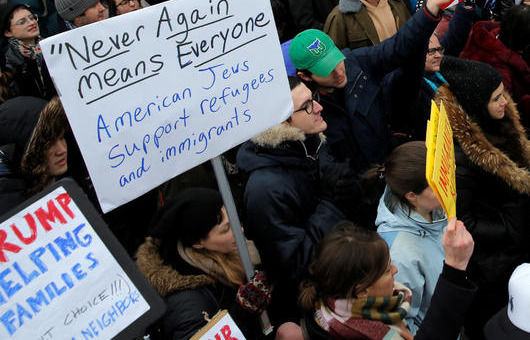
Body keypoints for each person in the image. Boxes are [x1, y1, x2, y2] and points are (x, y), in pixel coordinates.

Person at [435, 57, 530, 339]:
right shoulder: (463, 156)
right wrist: (510, 230)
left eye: (503, 94)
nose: (505, 101)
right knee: (491, 324)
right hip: (490, 267)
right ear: (476, 104)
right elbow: (464, 222)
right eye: (497, 97)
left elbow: (517, 164)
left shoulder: (499, 122)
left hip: (512, 248)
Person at [289, 0, 455, 170]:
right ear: (305, 76)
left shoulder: (356, 62)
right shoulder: (305, 112)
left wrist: (430, 9)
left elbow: (398, 45)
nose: (338, 71)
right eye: (326, 70)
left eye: (336, 60)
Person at [237, 78, 358, 327]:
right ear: (282, 123)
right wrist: (331, 204)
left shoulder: (310, 142)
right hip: (315, 306)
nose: (319, 107)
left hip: (348, 273)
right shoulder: (266, 189)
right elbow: (297, 265)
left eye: (314, 98)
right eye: (307, 106)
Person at [136, 189, 286, 340]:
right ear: (198, 243)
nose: (239, 229)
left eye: (234, 218)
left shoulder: (234, 250)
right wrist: (242, 315)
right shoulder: (188, 304)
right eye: (226, 229)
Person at [297, 220, 476, 339]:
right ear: (361, 291)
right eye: (386, 270)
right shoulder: (378, 335)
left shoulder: (329, 303)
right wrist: (455, 269)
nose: (396, 270)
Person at [372, 142, 449, 333]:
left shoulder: (434, 208)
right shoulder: (400, 255)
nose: (447, 185)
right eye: (437, 185)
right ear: (412, 196)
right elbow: (404, 325)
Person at [0, 97, 70, 212]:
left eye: (62, 137)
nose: (62, 150)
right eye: (48, 144)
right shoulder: (10, 210)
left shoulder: (79, 175)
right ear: (25, 153)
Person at [0, 3, 55, 99]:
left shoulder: (52, 46)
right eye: (22, 22)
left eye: (32, 17)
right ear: (8, 32)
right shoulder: (9, 63)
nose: (31, 23)